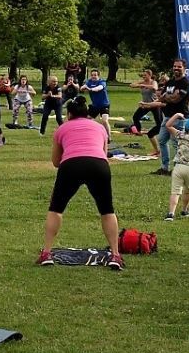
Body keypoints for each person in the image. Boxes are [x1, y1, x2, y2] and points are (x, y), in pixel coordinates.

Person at [36, 96, 122, 269]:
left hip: (71, 166)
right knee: (107, 210)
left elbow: (55, 161)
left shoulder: (62, 128)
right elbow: (104, 154)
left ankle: (46, 253)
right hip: (98, 165)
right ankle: (115, 255)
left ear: (68, 114)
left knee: (56, 208)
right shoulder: (99, 127)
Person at [129, 69, 161, 134]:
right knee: (135, 117)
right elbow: (131, 85)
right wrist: (138, 84)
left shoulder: (153, 82)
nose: (143, 76)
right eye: (143, 75)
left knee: (159, 121)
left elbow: (155, 88)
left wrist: (143, 85)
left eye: (145, 75)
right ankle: (139, 131)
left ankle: (160, 132)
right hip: (145, 105)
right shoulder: (142, 82)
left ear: (150, 75)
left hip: (154, 104)